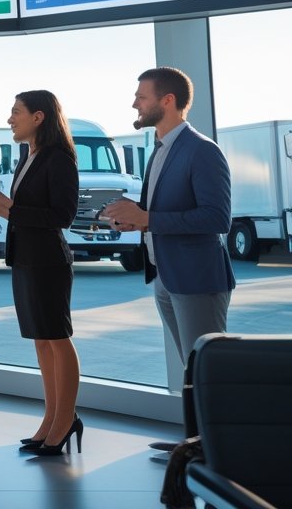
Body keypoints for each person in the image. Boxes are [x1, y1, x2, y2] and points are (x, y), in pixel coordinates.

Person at [100, 67, 233, 453]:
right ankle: (196, 442)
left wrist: (148, 219)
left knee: (209, 370)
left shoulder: (202, 150)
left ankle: (219, 450)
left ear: (167, 101)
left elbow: (217, 218)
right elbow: (160, 212)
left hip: (197, 279)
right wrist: (134, 219)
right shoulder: (160, 150)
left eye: (141, 97)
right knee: (192, 370)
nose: (134, 103)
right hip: (165, 276)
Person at [0, 91, 82, 456]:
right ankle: (51, 419)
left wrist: (8, 210)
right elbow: (19, 208)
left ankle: (65, 420)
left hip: (48, 260)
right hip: (26, 259)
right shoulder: (27, 156)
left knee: (57, 338)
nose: (9, 119)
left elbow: (61, 217)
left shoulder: (59, 158)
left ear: (38, 117)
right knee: (41, 340)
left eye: (15, 112)